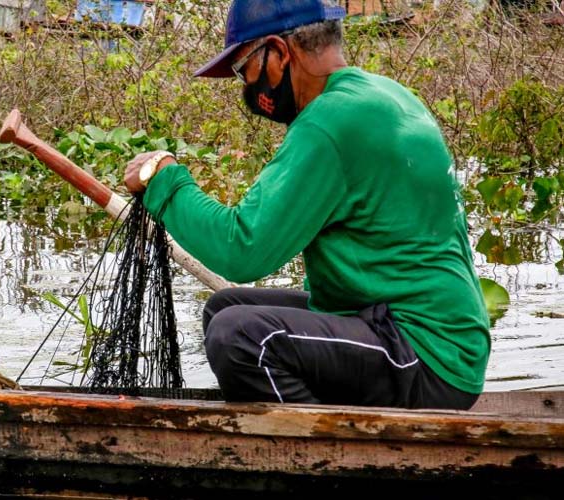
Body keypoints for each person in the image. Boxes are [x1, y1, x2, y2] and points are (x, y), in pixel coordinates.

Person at [123, 0, 490, 410]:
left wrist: (166, 180)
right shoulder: (384, 94)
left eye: (245, 70)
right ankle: (334, 419)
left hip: (425, 355)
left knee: (241, 336)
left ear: (279, 53)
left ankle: (313, 458)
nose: (247, 86)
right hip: (432, 337)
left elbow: (242, 250)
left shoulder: (329, 122)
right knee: (226, 306)